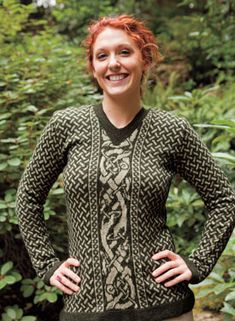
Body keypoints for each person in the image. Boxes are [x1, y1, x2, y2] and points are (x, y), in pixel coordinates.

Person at [16, 14, 235, 321]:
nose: (113, 63)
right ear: (93, 68)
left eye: (124, 52)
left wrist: (198, 263)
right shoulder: (65, 126)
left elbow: (224, 200)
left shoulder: (173, 130)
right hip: (86, 311)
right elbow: (27, 198)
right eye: (102, 56)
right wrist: (47, 265)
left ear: (144, 60)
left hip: (164, 309)